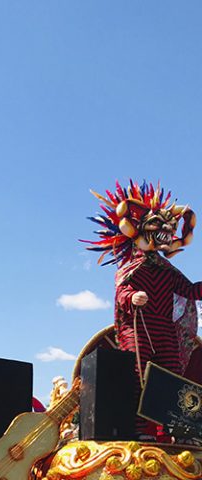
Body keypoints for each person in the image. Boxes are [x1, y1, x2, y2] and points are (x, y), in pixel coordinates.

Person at [85, 180, 198, 440]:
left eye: (166, 227)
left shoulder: (168, 271)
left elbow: (190, 291)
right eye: (156, 225)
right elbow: (121, 293)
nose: (163, 231)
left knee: (170, 380)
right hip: (135, 329)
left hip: (164, 329)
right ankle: (137, 431)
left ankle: (169, 430)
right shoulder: (130, 267)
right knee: (138, 377)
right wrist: (132, 296)